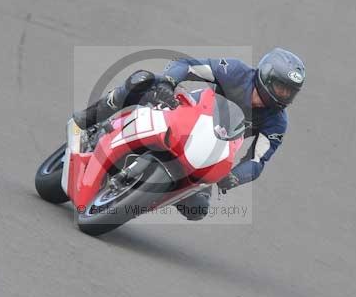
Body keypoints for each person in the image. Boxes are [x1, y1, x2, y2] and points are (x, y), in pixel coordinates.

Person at [73, 48, 305, 220]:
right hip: (184, 114)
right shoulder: (236, 71)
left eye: (290, 92)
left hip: (210, 152)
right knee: (143, 80)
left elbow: (257, 161)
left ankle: (137, 199)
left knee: (198, 209)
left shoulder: (277, 122)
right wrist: (169, 82)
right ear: (266, 76)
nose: (284, 95)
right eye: (280, 87)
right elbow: (189, 65)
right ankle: (93, 116)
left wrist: (233, 178)